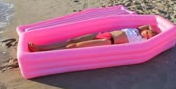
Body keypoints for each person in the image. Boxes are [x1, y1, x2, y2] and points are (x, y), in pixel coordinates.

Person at [28, 24, 156, 52]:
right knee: (71, 40)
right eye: (148, 32)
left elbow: (154, 41)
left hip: (107, 41)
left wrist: (152, 36)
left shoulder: (142, 41)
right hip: (104, 33)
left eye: (149, 36)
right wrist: (149, 29)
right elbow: (149, 24)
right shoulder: (137, 30)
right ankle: (40, 47)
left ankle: (42, 52)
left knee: (72, 47)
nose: (147, 34)